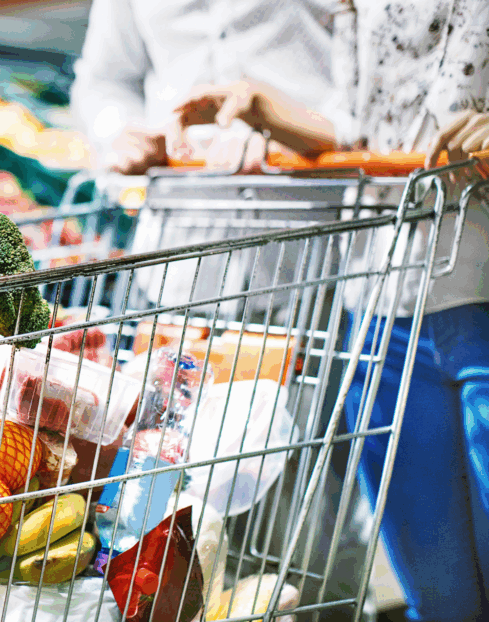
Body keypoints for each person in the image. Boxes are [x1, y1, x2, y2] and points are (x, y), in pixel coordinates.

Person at [172, 2, 489, 620]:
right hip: (377, 307)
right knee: (440, 599)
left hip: (477, 295)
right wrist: (266, 109)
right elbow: (362, 129)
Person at [70, 0, 350, 323]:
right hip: (171, 262)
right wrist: (120, 129)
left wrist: (291, 130)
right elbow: (104, 79)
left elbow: (370, 85)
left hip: (307, 263)